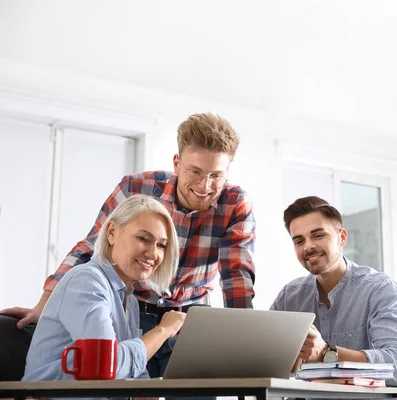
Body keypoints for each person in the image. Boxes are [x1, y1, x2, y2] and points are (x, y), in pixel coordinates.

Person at [2, 112, 256, 378]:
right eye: (196, 172)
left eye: (216, 175)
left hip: (189, 318)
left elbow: (236, 277)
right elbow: (90, 246)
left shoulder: (236, 203)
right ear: (177, 163)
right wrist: (45, 304)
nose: (205, 186)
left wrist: (242, 340)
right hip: (135, 307)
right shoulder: (137, 187)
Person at [22, 194, 186, 384]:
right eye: (143, 238)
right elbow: (108, 367)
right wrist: (164, 330)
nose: (153, 253)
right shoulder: (86, 282)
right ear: (112, 232)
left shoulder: (129, 298)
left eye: (161, 245)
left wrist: (143, 386)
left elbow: (126, 368)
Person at [270, 196, 397, 391]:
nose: (308, 246)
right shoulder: (289, 297)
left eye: (318, 235)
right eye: (299, 241)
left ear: (342, 237)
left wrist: (327, 352)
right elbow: (268, 361)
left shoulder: (380, 289)